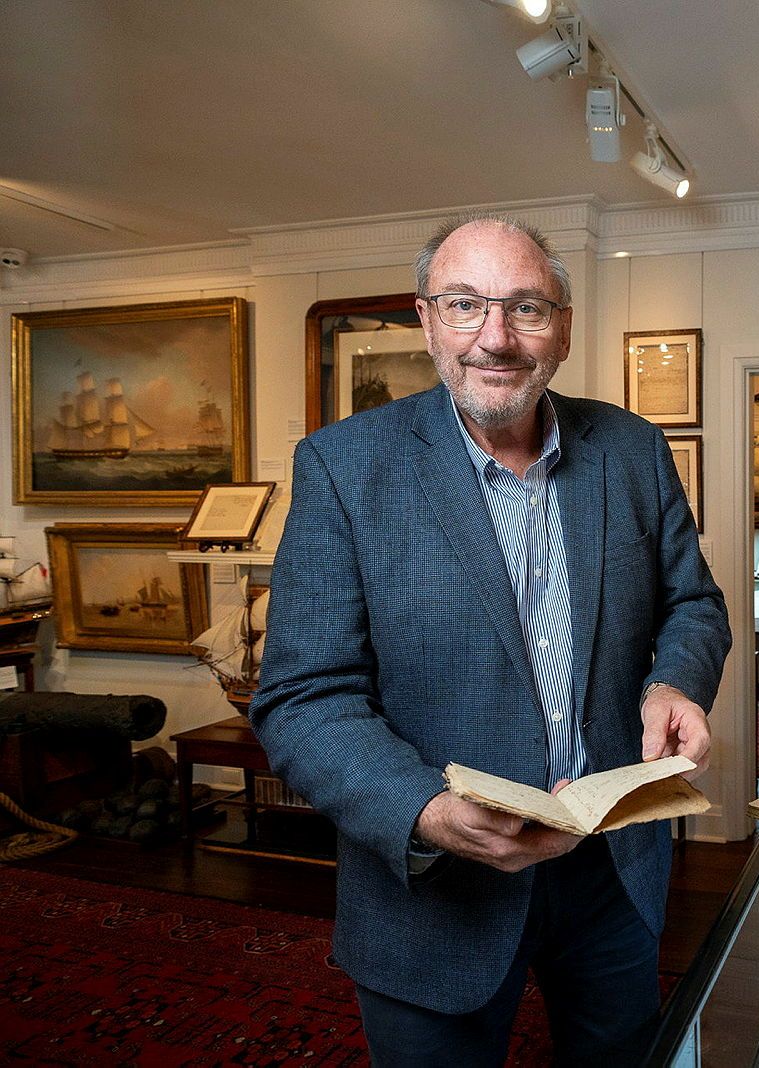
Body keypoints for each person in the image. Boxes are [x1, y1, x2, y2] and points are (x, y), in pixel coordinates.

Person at [250, 213, 731, 1067]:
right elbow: (302, 699)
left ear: (565, 326)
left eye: (526, 308)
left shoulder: (632, 448)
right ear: (428, 319)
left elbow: (693, 603)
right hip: (435, 889)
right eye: (465, 305)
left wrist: (674, 685)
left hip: (610, 869)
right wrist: (427, 812)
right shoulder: (343, 466)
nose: (495, 338)